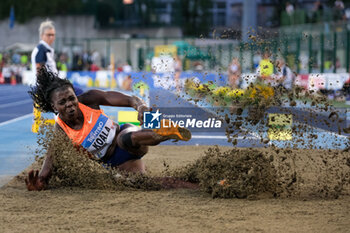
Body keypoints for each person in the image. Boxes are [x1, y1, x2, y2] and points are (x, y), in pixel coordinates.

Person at [25, 67, 192, 191]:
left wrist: (140, 107)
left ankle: (164, 132)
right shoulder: (61, 133)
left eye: (71, 98)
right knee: (145, 183)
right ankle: (196, 186)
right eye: (63, 102)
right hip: (116, 162)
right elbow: (48, 167)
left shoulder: (89, 99)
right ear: (55, 108)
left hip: (127, 136)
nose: (70, 104)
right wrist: (40, 182)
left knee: (125, 138)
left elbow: (130, 99)